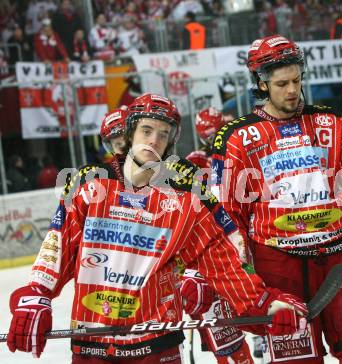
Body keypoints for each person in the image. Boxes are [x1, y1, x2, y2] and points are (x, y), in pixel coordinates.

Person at [7, 93, 308, 363]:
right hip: (92, 346)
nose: (154, 140)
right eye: (146, 131)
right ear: (129, 134)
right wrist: (36, 294)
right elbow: (57, 247)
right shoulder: (89, 188)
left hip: (156, 347)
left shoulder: (184, 201)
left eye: (163, 135)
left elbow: (222, 263)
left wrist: (261, 304)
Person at [210, 35, 342, 363]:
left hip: (340, 258)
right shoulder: (236, 137)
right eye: (282, 83)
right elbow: (226, 218)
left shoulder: (330, 122)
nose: (292, 90)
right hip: (279, 266)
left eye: (296, 80)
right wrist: (251, 285)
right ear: (261, 84)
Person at [183, 107, 254, 364]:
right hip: (212, 253)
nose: (213, 142)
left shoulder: (237, 153)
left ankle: (261, 340)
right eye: (208, 138)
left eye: (216, 135)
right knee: (224, 335)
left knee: (258, 300)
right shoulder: (194, 163)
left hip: (242, 239)